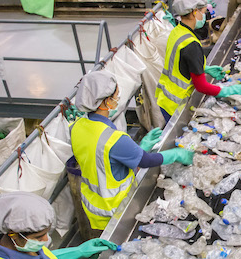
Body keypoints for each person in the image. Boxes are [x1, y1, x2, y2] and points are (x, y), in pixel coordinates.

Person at [71, 70, 193, 231]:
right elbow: (146, 161)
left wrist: (139, 148)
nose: (117, 99)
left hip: (93, 205)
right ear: (105, 102)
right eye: (116, 96)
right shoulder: (113, 138)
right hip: (117, 209)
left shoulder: (77, 126)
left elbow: (103, 159)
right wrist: (176, 154)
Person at [156, 0, 241, 121]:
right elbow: (201, 86)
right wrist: (227, 91)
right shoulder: (191, 44)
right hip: (176, 105)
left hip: (165, 98)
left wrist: (204, 68)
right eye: (203, 12)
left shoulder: (177, 31)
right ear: (195, 12)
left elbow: (179, 60)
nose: (205, 16)